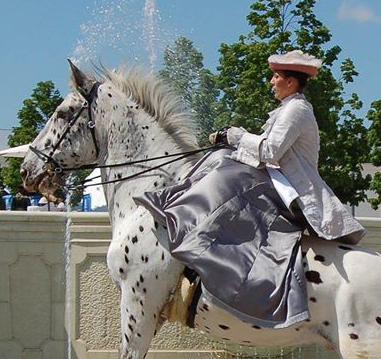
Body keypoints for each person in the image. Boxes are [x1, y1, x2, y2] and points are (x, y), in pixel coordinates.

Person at [136, 49, 364, 328]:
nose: (271, 81)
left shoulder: (297, 110)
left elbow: (270, 150)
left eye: (276, 77)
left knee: (226, 180)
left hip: (293, 193)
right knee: (220, 162)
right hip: (280, 183)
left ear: (291, 82)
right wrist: (229, 142)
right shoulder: (289, 108)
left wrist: (236, 136)